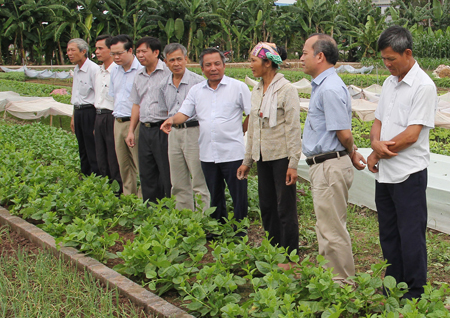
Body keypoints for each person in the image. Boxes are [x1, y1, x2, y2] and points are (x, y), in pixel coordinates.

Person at [367, 26, 437, 299]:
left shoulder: (424, 86)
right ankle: (394, 282)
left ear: (407, 53)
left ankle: (415, 291)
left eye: (391, 59)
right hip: (386, 173)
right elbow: (378, 121)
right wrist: (374, 144)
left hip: (409, 173)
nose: (386, 65)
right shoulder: (388, 83)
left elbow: (411, 135)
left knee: (411, 235)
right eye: (383, 59)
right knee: (388, 232)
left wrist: (378, 151)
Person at [300, 34, 366, 281]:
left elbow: (344, 133)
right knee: (327, 226)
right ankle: (332, 281)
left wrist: (352, 151)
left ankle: (342, 287)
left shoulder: (328, 88)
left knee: (332, 229)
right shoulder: (323, 85)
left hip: (329, 165)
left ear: (320, 56)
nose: (301, 57)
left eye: (305, 52)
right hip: (326, 164)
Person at [161, 48, 251, 229]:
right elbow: (184, 113)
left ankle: (240, 230)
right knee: (214, 194)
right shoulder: (196, 90)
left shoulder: (238, 87)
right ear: (202, 69)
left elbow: (251, 113)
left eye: (217, 64)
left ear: (224, 65)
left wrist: (241, 130)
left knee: (238, 194)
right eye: (208, 65)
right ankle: (216, 228)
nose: (213, 68)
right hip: (208, 153)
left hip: (232, 152)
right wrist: (171, 120)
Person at [236, 42, 301, 254]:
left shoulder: (287, 90)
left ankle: (289, 254)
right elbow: (253, 127)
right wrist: (247, 161)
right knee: (267, 206)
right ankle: (274, 250)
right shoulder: (256, 89)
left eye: (254, 61)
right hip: (262, 157)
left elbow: (293, 128)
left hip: (281, 157)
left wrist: (293, 163)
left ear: (267, 62)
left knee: (285, 208)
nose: (251, 66)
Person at [159, 43, 210, 211]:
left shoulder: (199, 82)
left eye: (179, 59)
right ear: (165, 62)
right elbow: (166, 110)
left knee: (198, 177)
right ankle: (185, 217)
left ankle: (204, 218)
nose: (176, 63)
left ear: (186, 59)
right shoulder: (163, 84)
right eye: (171, 60)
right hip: (174, 133)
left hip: (194, 131)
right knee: (178, 179)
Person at [126, 37, 171, 203]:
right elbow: (136, 104)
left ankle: (168, 207)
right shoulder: (139, 75)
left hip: (163, 128)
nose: (140, 55)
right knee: (147, 171)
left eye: (144, 51)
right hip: (144, 129)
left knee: (166, 171)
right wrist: (131, 130)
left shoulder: (168, 72)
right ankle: (150, 207)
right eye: (138, 52)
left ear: (156, 52)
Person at [109, 34, 143, 196]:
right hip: (118, 121)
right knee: (123, 164)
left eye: (119, 53)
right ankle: (129, 196)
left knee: (140, 162)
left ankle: (143, 198)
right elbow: (114, 97)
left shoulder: (141, 71)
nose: (116, 57)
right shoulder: (114, 71)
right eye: (113, 54)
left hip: (136, 122)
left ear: (130, 50)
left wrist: (132, 127)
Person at [93, 35, 122, 193]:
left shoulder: (117, 72)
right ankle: (106, 187)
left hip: (112, 116)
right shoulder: (99, 71)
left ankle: (118, 189)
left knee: (113, 155)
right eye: (96, 48)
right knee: (101, 154)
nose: (97, 52)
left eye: (100, 48)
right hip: (99, 115)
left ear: (111, 50)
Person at [67, 38, 100, 176]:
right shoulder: (76, 69)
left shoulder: (93, 69)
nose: (69, 53)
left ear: (83, 51)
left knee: (92, 145)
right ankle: (86, 174)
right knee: (82, 146)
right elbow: (76, 95)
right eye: (68, 50)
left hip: (90, 112)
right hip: (79, 111)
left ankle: (96, 176)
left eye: (72, 50)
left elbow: (98, 95)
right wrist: (74, 116)